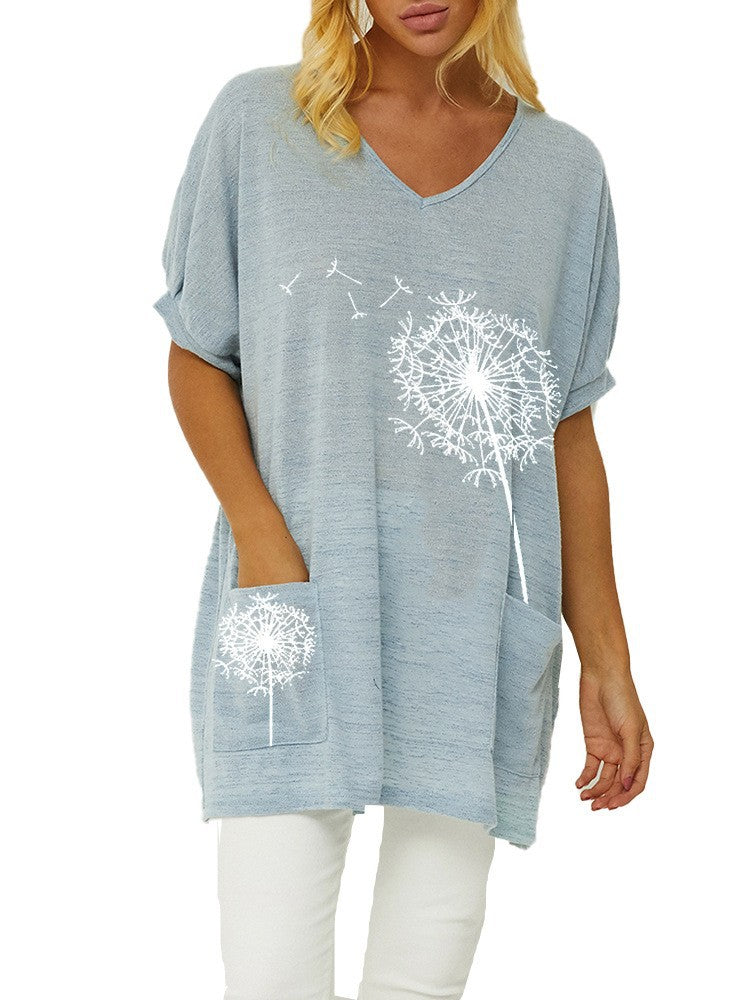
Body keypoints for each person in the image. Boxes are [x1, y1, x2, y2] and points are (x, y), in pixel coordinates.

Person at [152, 2, 654, 997]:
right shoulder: (258, 125)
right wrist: (263, 540)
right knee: (269, 974)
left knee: (423, 980)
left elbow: (564, 427)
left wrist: (609, 657)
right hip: (291, 600)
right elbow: (199, 351)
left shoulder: (566, 173)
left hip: (474, 623)